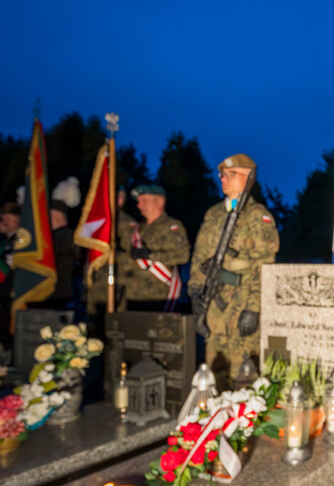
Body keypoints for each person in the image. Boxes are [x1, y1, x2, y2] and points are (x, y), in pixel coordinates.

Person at [189, 154, 279, 389]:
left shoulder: (258, 216)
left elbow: (265, 265)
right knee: (213, 369)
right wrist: (195, 291)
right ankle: (213, 420)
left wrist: (254, 307)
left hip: (242, 302)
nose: (224, 179)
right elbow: (200, 257)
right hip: (214, 305)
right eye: (222, 175)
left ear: (249, 178)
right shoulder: (214, 214)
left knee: (244, 373)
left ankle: (242, 423)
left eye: (231, 175)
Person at [118, 184, 190, 312]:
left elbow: (183, 255)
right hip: (133, 294)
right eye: (139, 202)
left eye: (144, 200)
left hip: (159, 296)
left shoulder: (172, 226)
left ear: (160, 201)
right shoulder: (137, 229)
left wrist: (151, 256)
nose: (139, 205)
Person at [85, 187, 139, 319]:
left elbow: (130, 254)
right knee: (94, 321)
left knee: (116, 323)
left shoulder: (127, 223)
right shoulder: (98, 220)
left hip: (116, 279)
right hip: (97, 280)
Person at [0, 202, 20, 350]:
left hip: (13, 294)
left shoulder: (21, 241)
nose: (4, 220)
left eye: (9, 217)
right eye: (3, 217)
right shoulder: (4, 241)